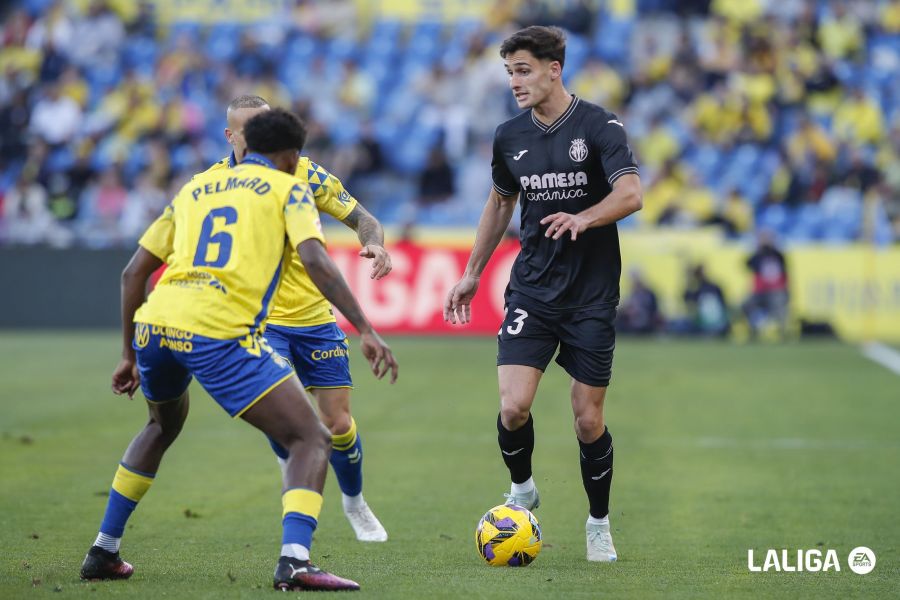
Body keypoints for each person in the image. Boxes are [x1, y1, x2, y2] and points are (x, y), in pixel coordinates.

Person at [79, 109, 398, 591]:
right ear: (291, 156)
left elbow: (132, 274)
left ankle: (103, 549)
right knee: (311, 438)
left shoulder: (195, 189)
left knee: (160, 426)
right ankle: (294, 562)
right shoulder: (290, 187)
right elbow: (315, 257)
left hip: (157, 324)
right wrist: (366, 328)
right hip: (217, 329)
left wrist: (127, 354)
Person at [443, 26, 642, 563]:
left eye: (524, 70)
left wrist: (585, 218)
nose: (514, 81)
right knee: (513, 408)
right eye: (509, 72)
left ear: (555, 69)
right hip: (532, 288)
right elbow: (500, 203)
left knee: (587, 418)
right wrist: (472, 272)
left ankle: (598, 523)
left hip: (591, 295)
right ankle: (523, 488)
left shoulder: (600, 125)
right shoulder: (509, 136)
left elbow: (631, 193)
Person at [204, 95, 391, 542]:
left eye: (265, 126)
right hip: (261, 323)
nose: (259, 138)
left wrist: (377, 244)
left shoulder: (303, 172)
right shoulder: (212, 184)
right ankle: (296, 501)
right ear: (230, 136)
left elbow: (363, 217)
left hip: (314, 316)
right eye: (248, 130)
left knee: (339, 424)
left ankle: (354, 501)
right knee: (291, 421)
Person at [742, 230, 789, 339]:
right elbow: (747, 264)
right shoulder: (759, 255)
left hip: (775, 291)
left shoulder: (777, 255)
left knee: (780, 304)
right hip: (760, 291)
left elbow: (784, 275)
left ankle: (783, 332)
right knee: (746, 305)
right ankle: (753, 330)